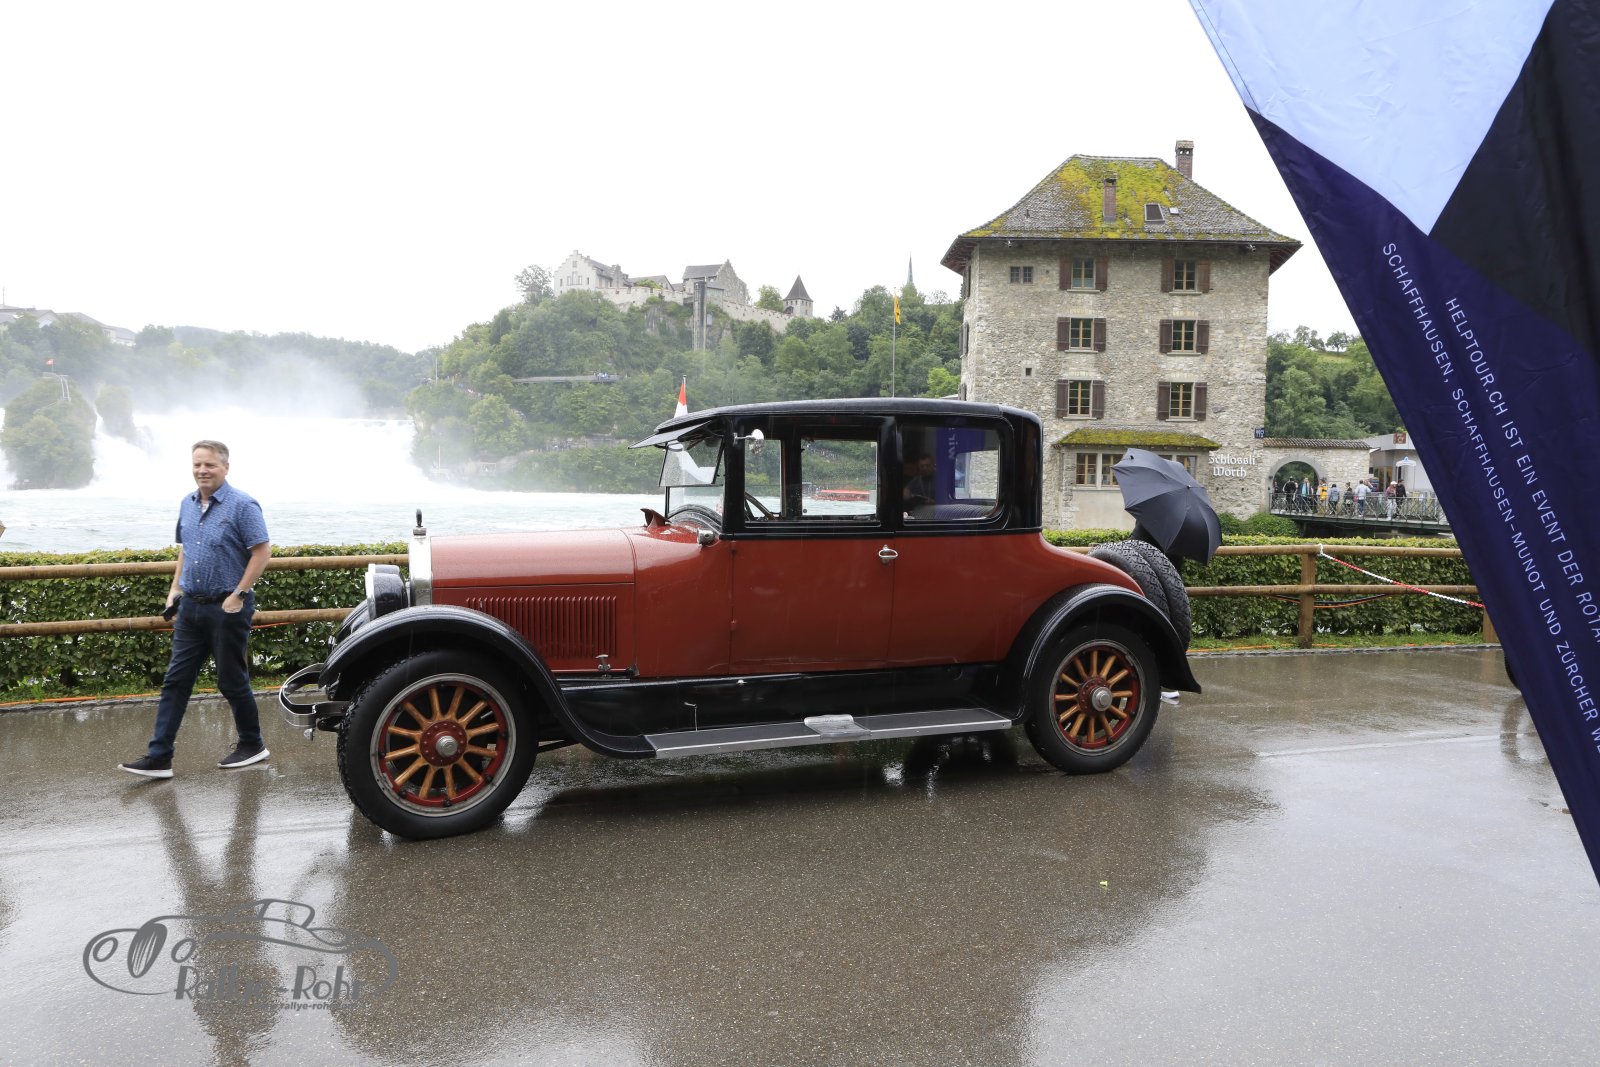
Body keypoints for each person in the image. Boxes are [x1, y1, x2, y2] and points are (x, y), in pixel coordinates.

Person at [120, 440, 272, 778]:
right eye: (197, 464)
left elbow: (262, 552)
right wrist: (175, 590)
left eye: (210, 465)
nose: (202, 470)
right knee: (175, 680)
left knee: (231, 680)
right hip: (191, 607)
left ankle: (253, 744)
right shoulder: (186, 503)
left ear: (225, 467)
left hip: (228, 608)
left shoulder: (243, 505)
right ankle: (159, 756)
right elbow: (186, 550)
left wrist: (238, 594)